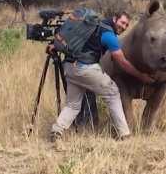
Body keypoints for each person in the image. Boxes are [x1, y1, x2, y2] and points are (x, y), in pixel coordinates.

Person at [48, 10, 154, 141]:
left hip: (69, 67)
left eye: (127, 25)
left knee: (73, 105)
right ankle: (124, 134)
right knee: (113, 92)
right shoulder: (109, 35)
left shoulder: (94, 25)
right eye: (122, 22)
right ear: (115, 19)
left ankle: (57, 131)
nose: (124, 27)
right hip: (85, 68)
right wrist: (141, 76)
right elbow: (122, 62)